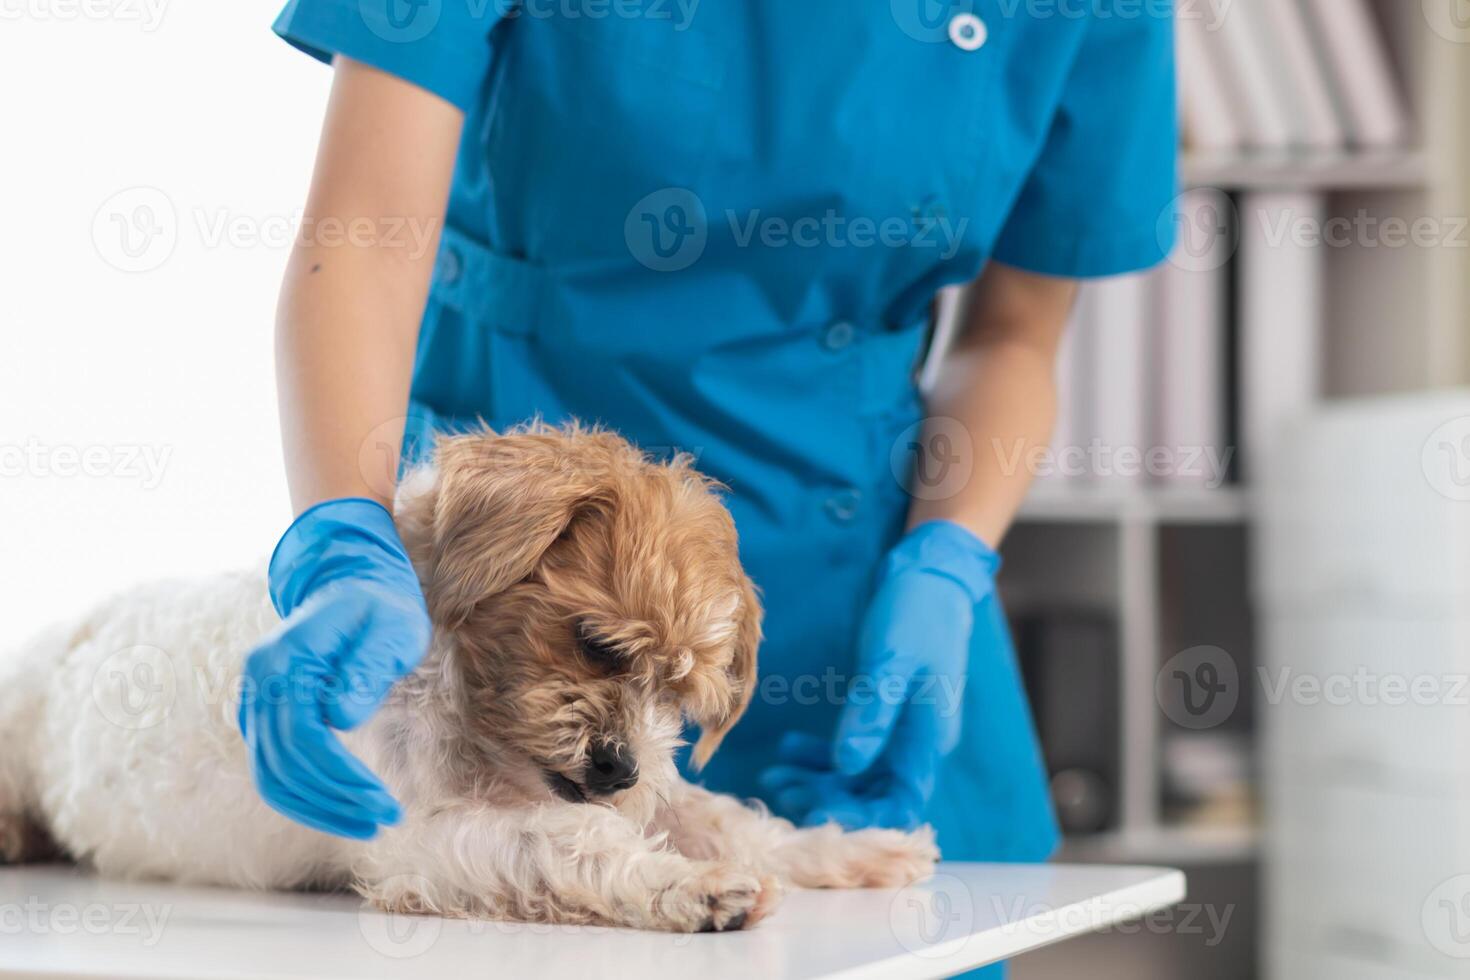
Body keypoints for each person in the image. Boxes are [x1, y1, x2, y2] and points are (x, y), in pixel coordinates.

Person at [239, 1, 1175, 971]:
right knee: (489, 889)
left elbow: (1013, 335)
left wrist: (947, 557)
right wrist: (346, 529)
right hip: (507, 571)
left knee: (883, 912)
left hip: (846, 586)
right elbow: (365, 238)